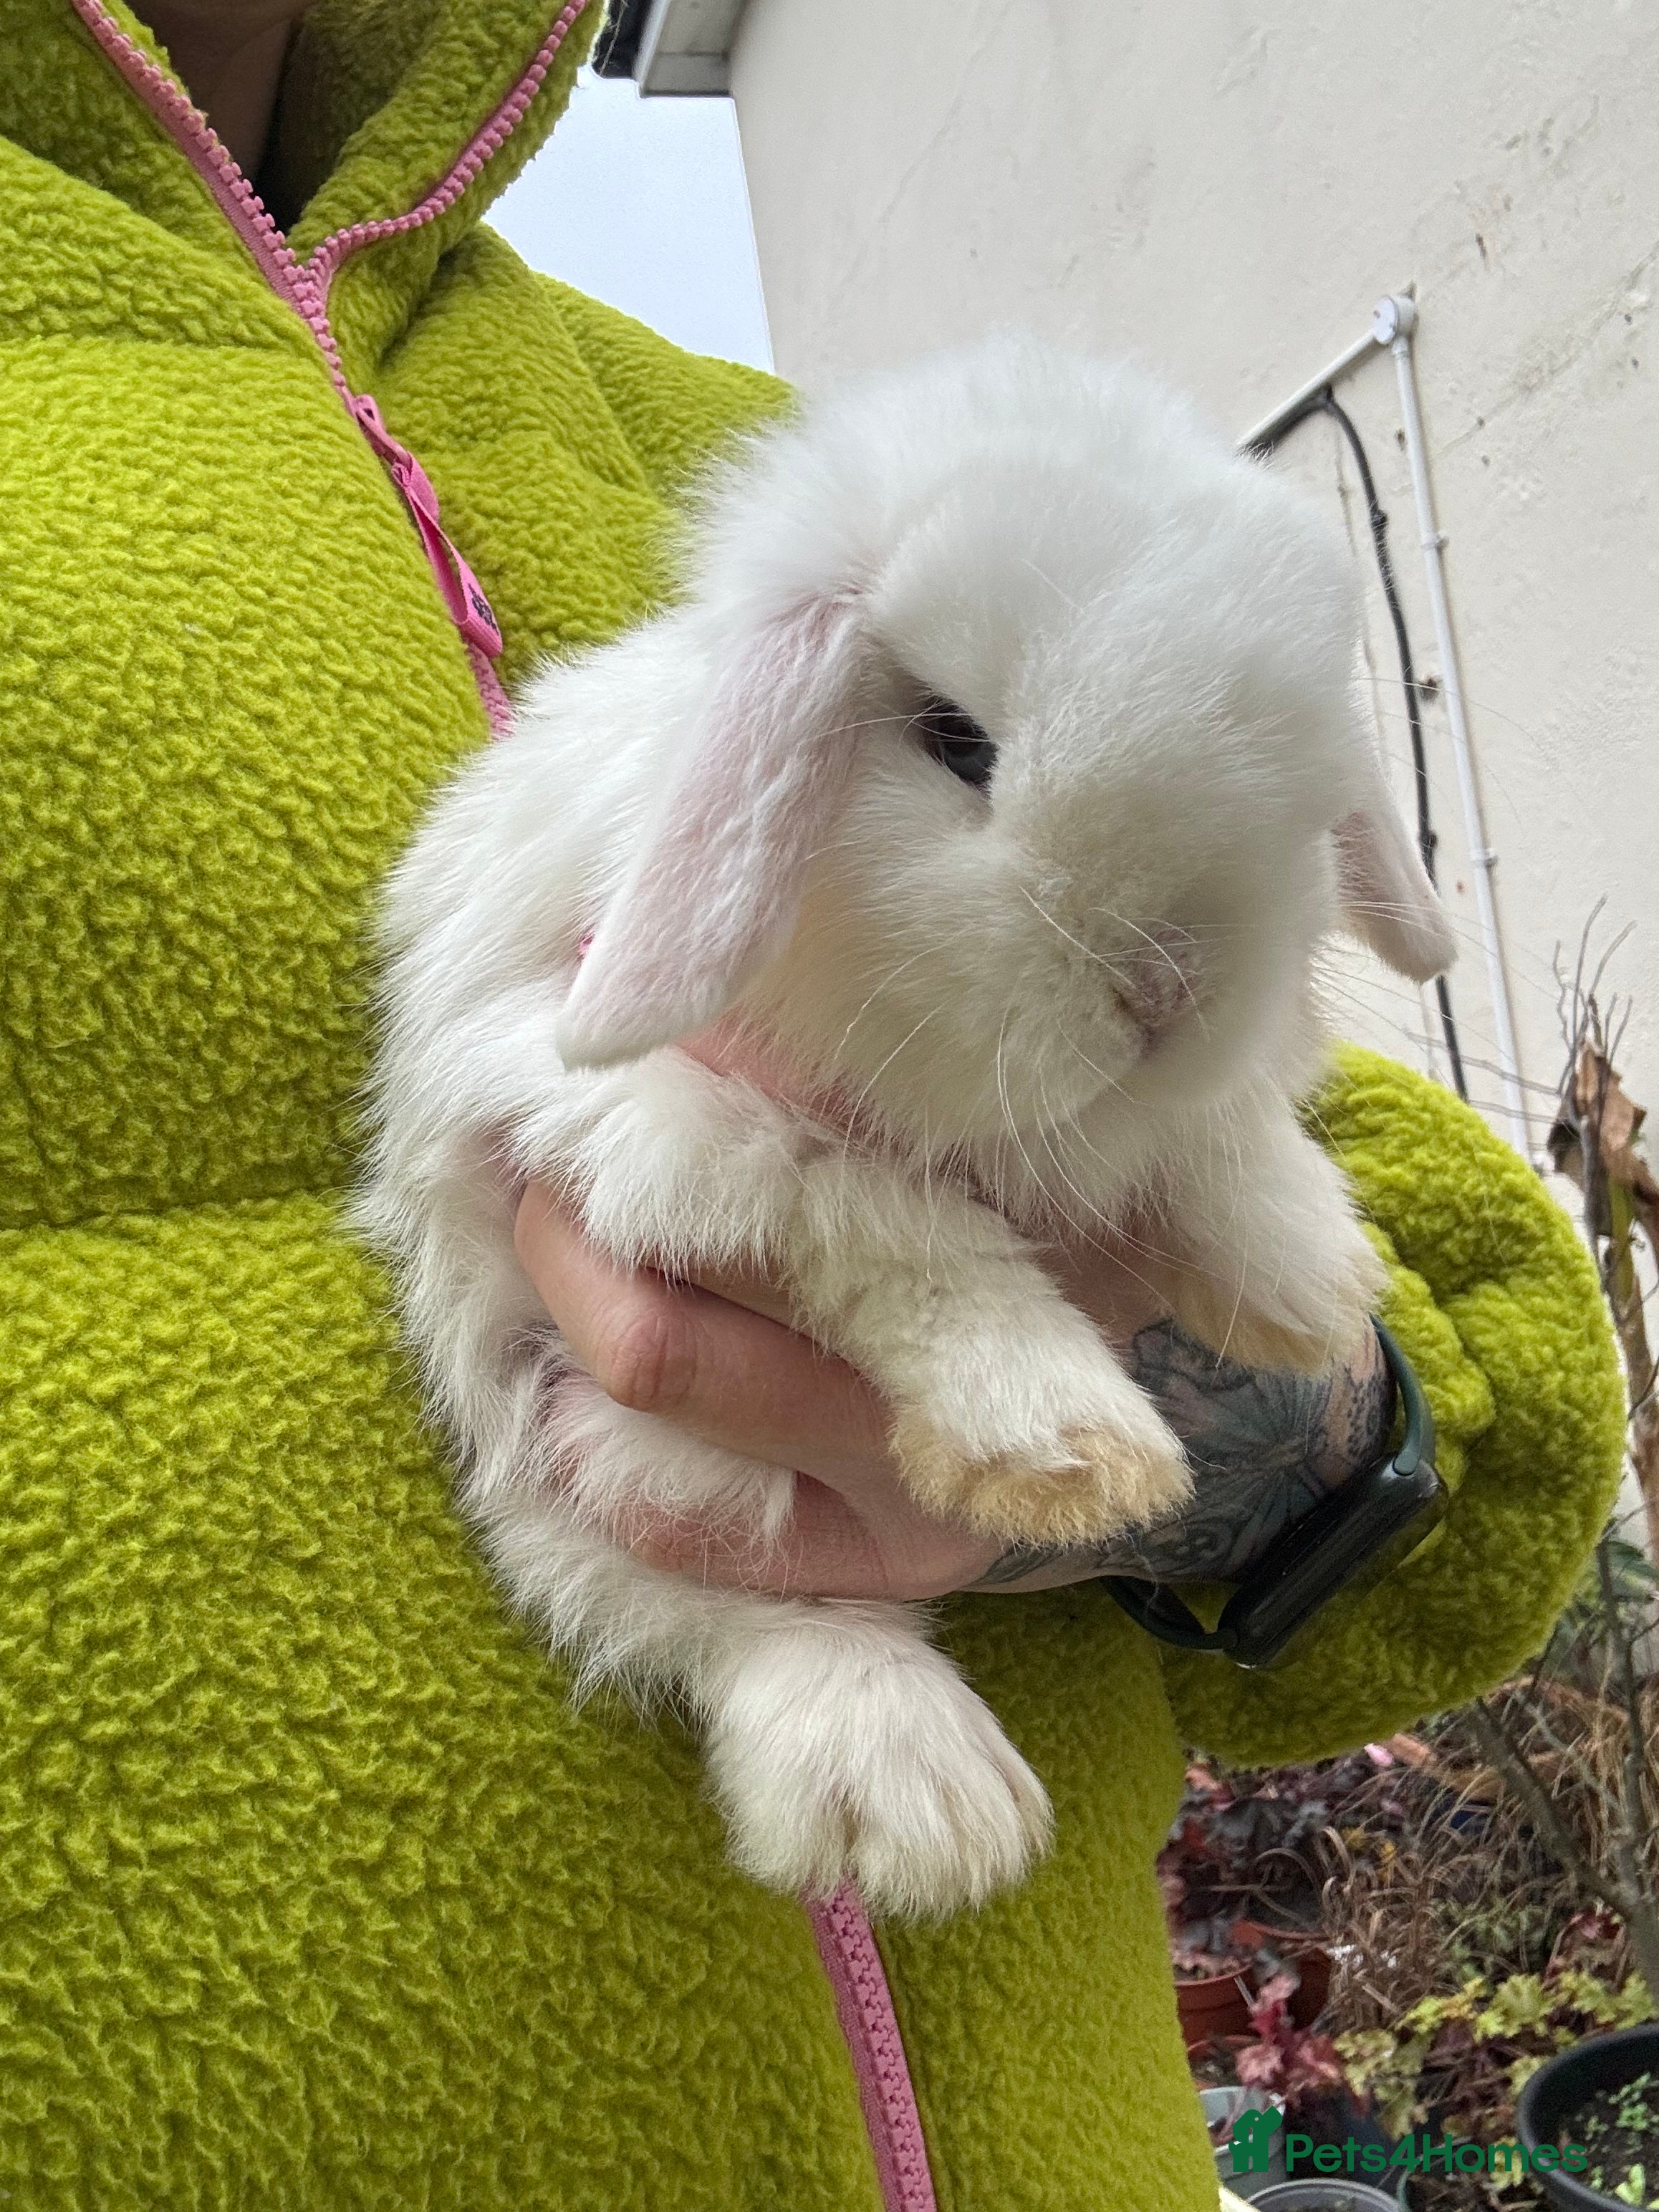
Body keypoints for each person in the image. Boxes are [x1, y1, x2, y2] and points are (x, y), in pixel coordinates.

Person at [0, 1, 1623, 2206]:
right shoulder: (800, 649)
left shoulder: (779, 437)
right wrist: (907, 1364)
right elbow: (593, 1141)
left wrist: (1270, 1425)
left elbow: (1469, 1392)